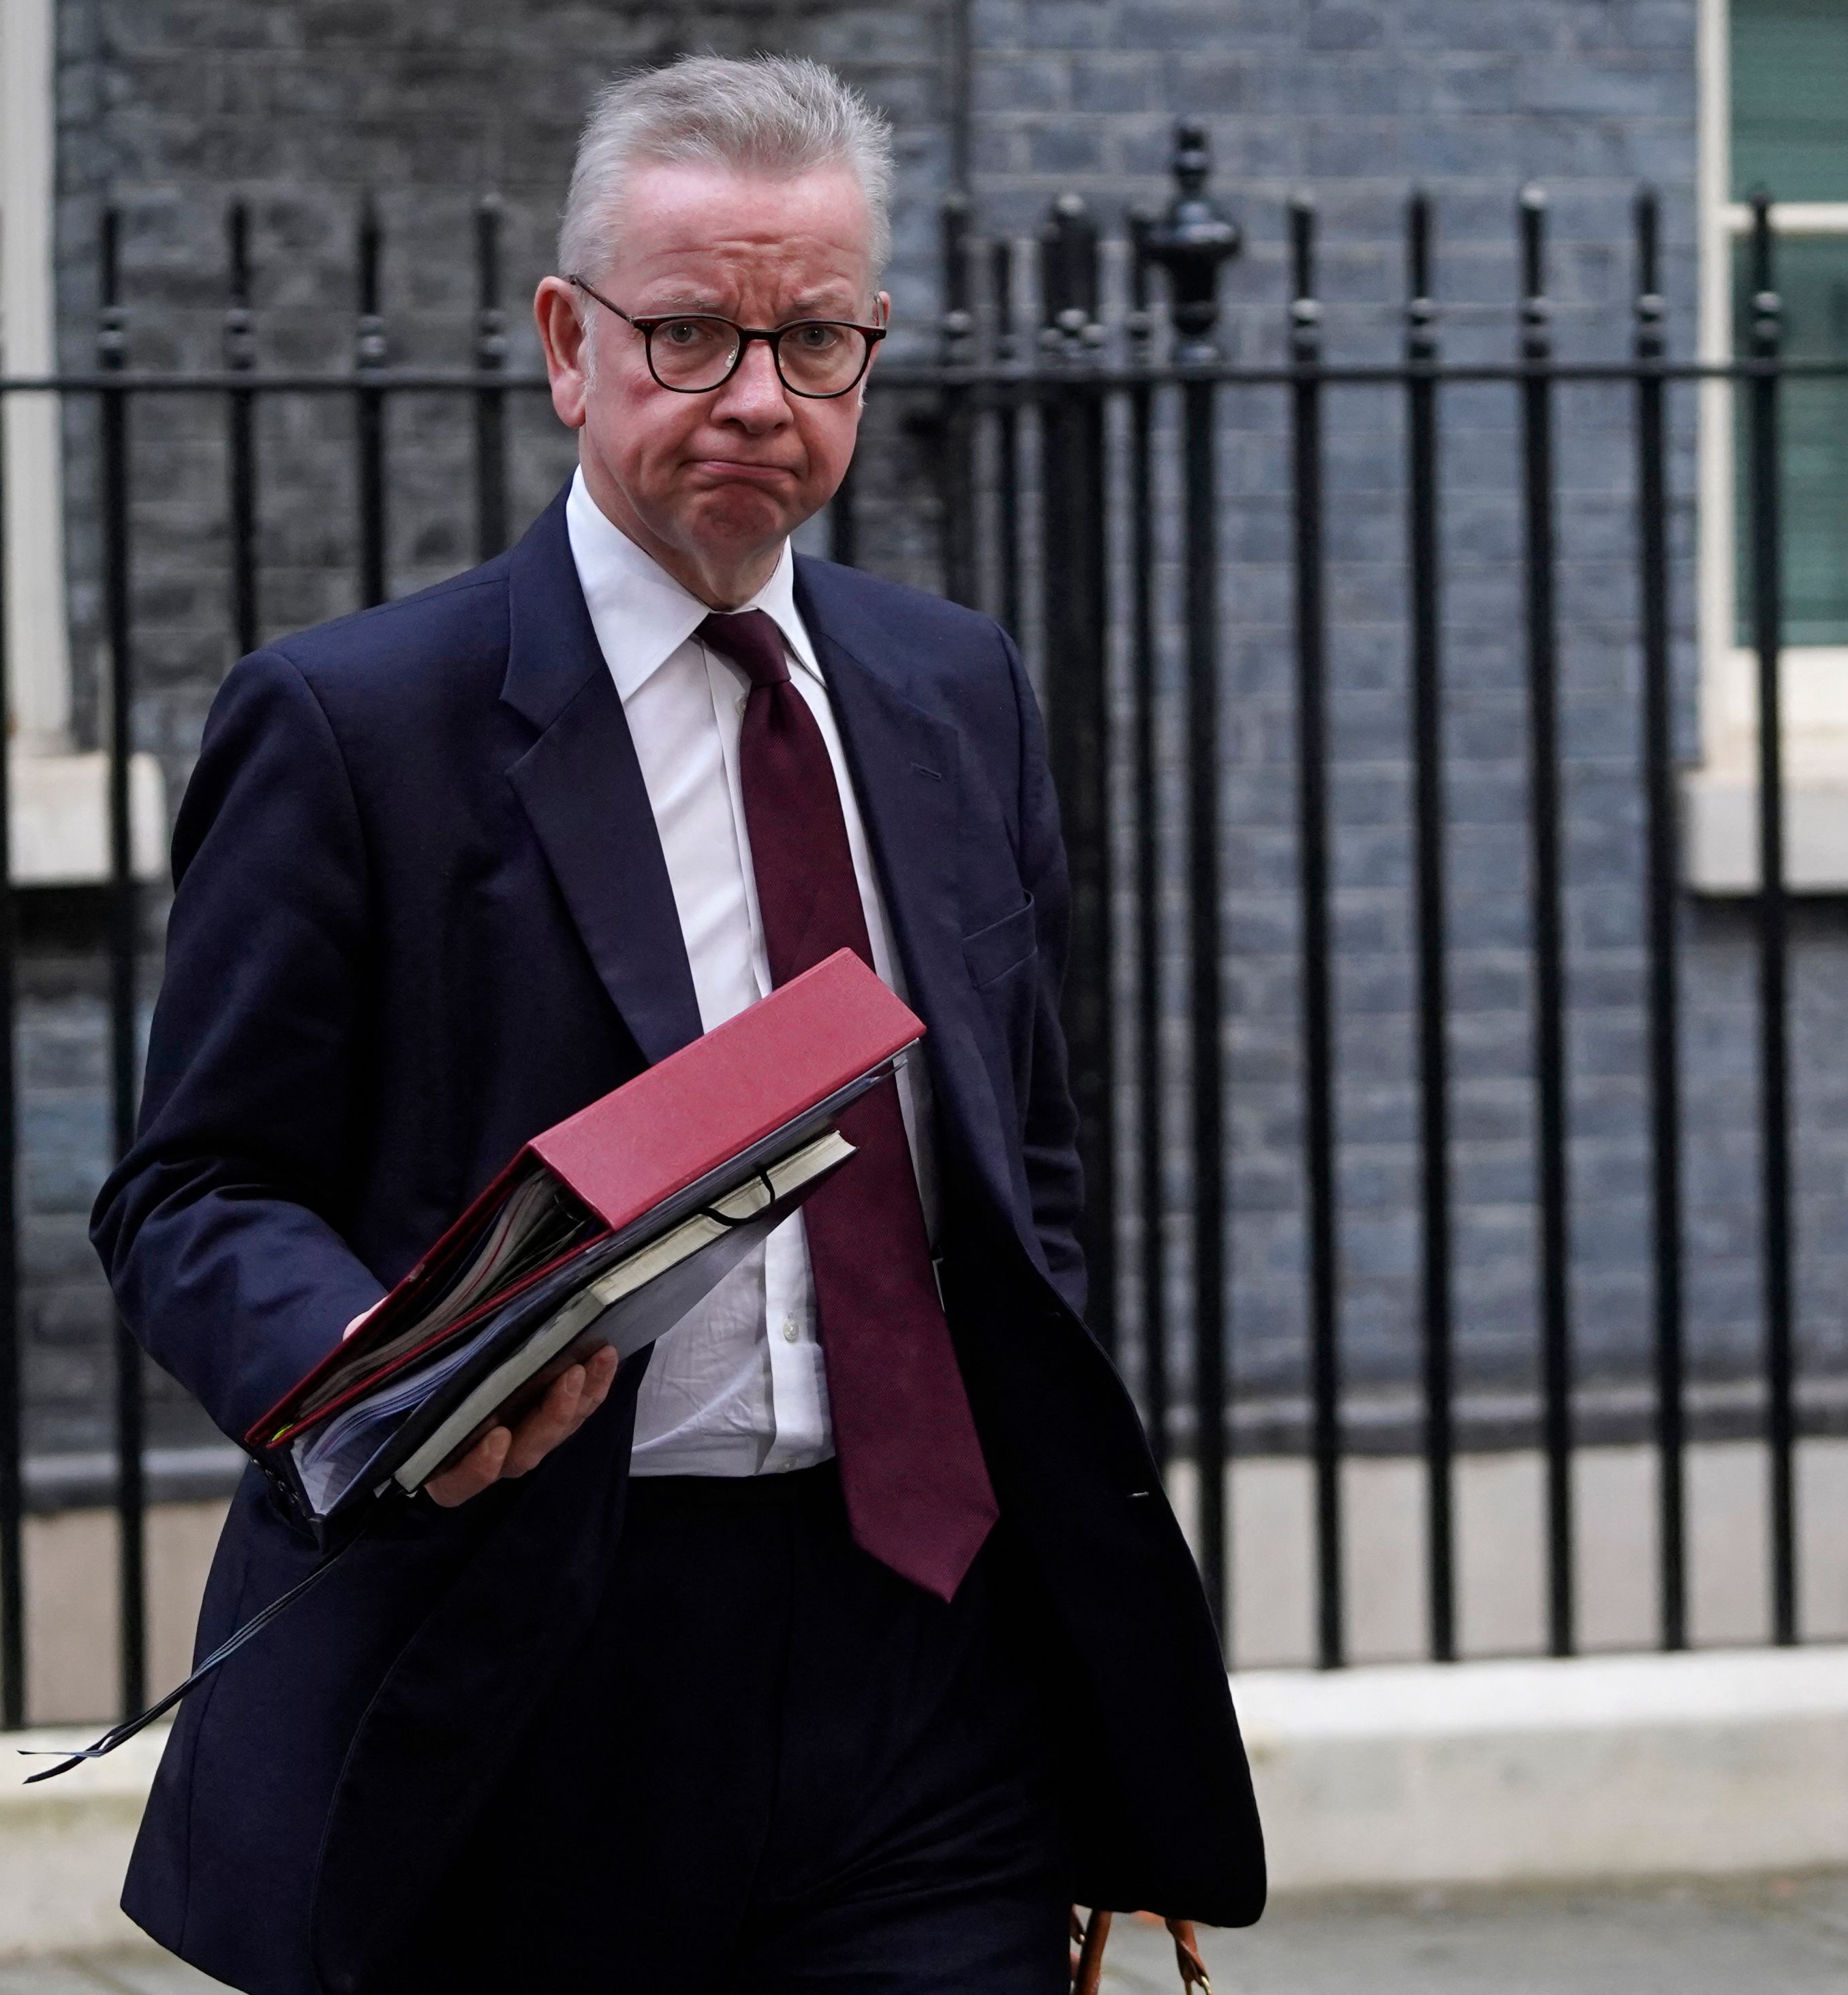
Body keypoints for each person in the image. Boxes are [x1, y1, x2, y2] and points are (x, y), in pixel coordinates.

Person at [89, 53, 1263, 1995]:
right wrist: (385, 1379)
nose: (757, 397)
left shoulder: (956, 687)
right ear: (571, 345)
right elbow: (191, 1191)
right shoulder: (354, 725)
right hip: (537, 1662)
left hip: (926, 1662)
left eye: (815, 340)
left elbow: (1020, 1154)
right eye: (694, 332)